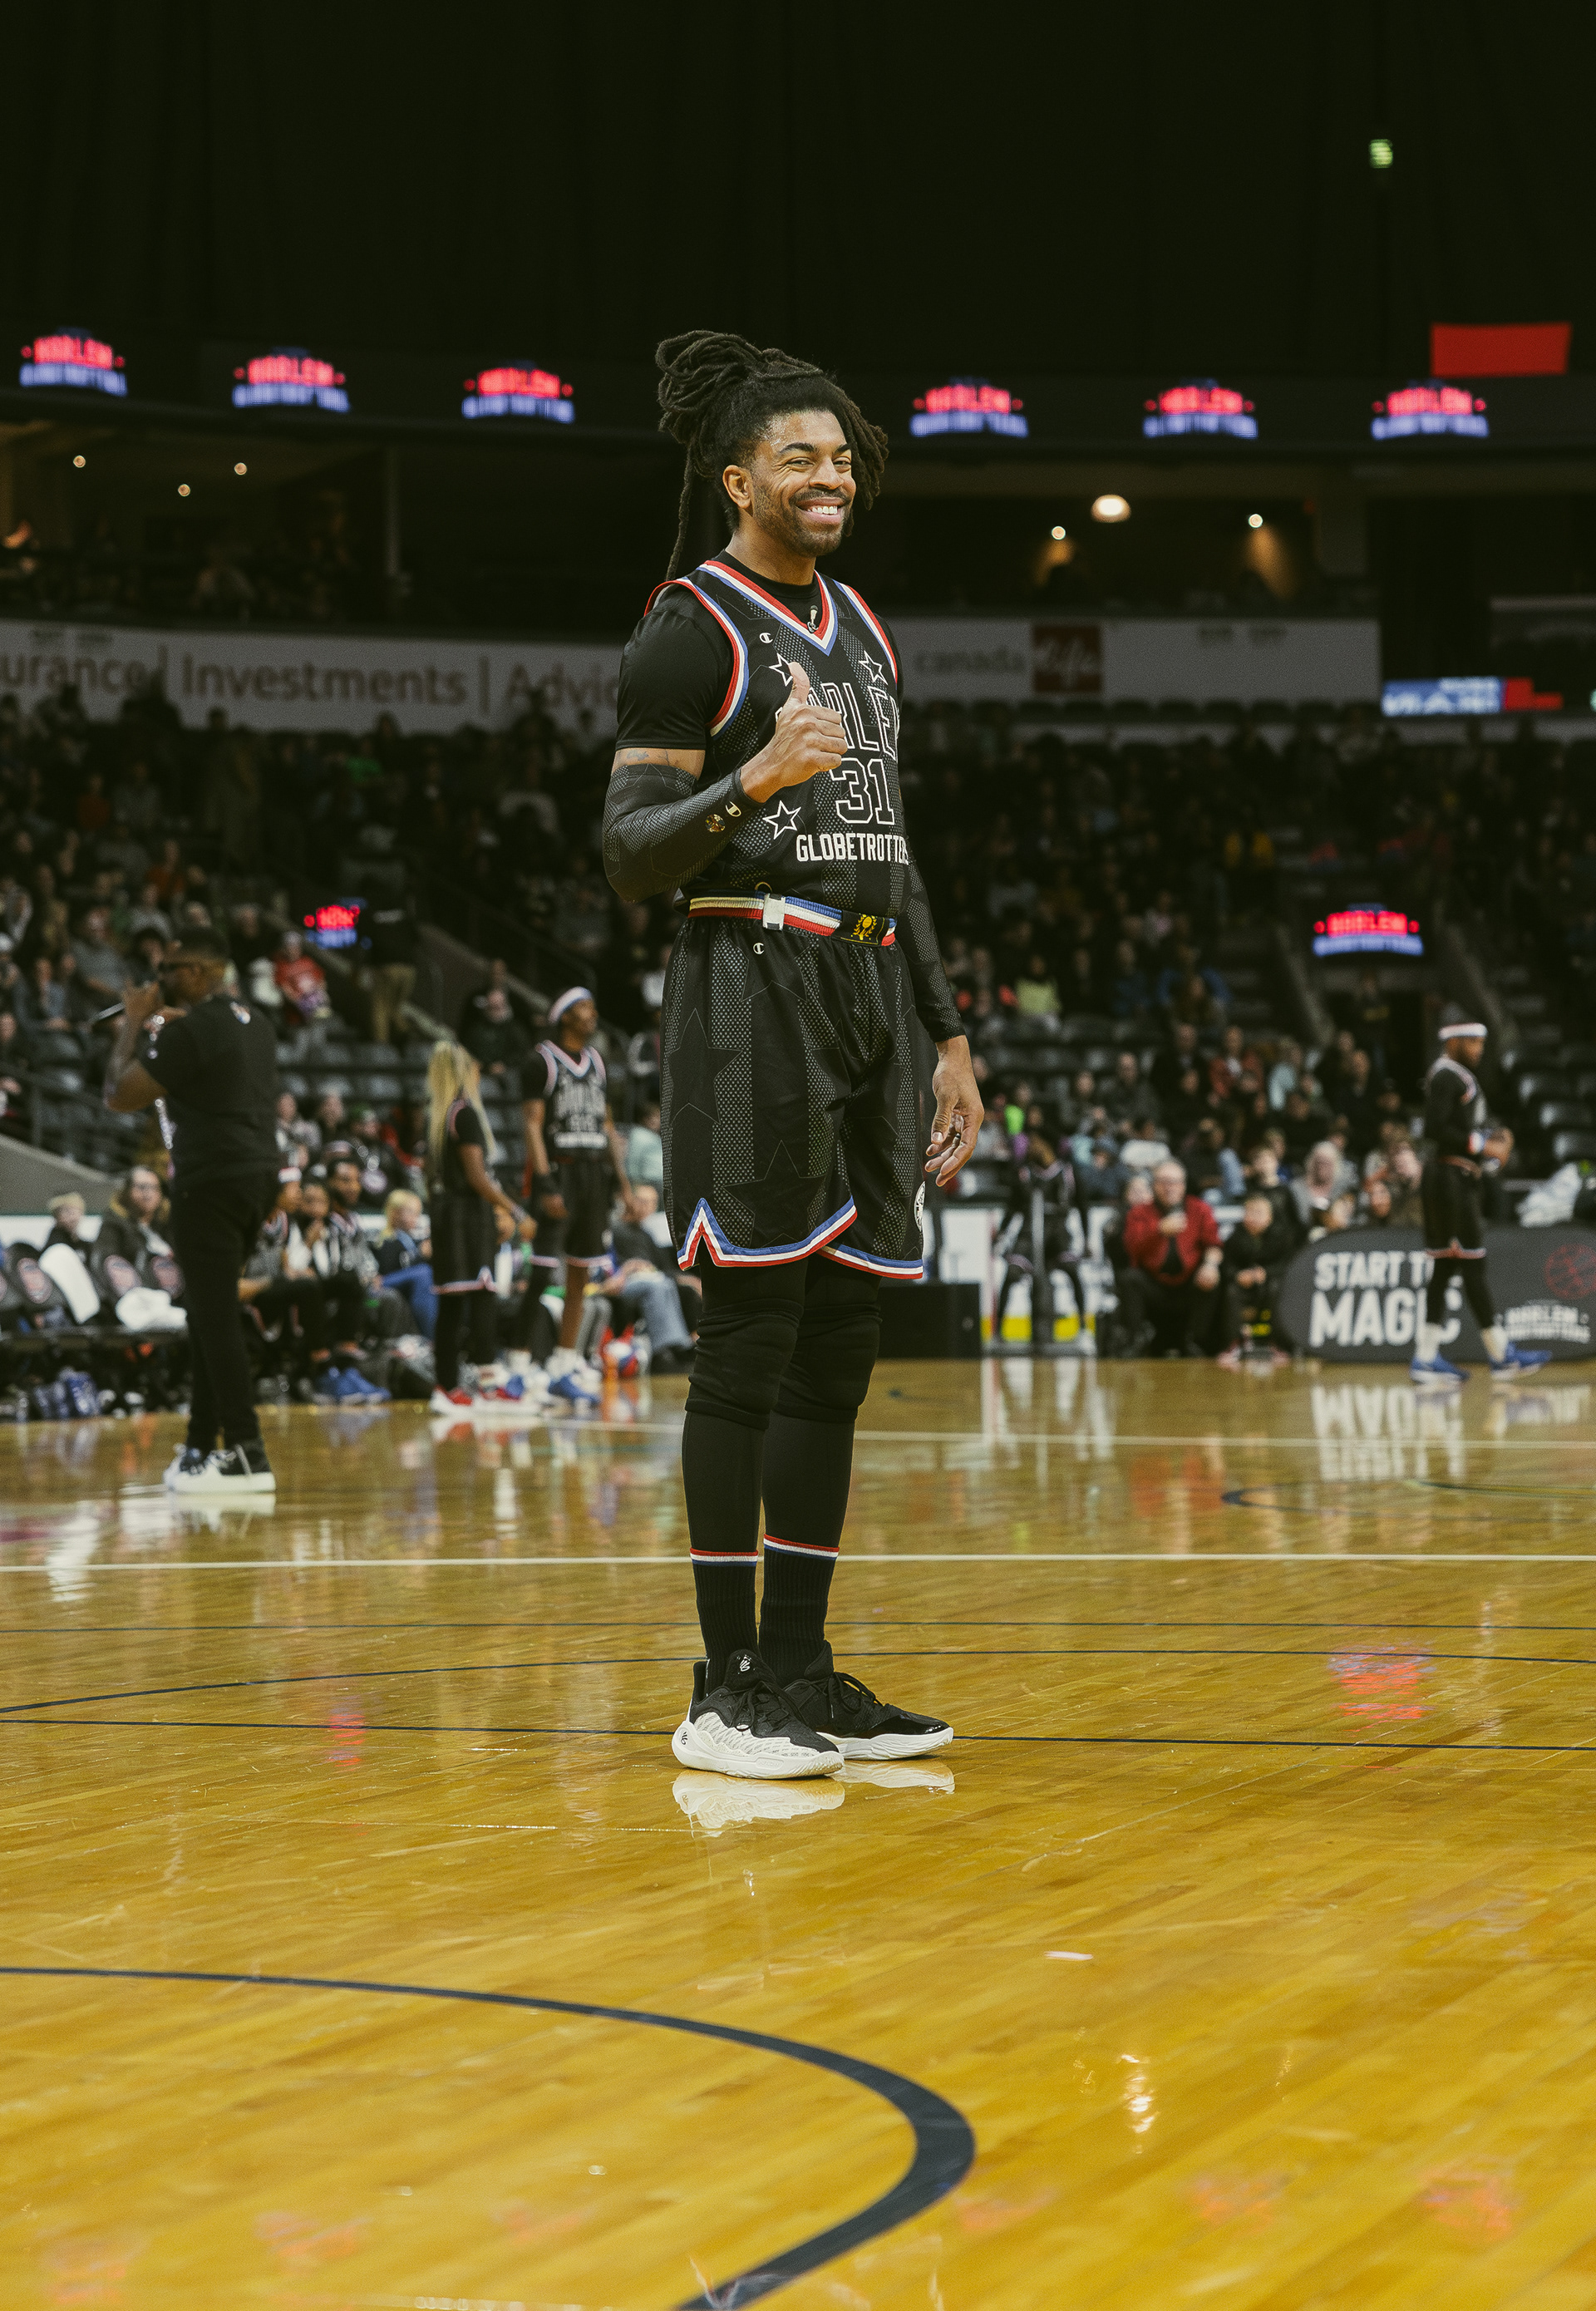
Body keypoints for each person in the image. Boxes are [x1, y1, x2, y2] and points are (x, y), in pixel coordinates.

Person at [603, 328, 975, 1779]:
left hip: (873, 991)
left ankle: (803, 1671)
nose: (832, 477)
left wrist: (948, 1031)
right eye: (800, 458)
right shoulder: (688, 626)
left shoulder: (864, 628)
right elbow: (630, 855)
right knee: (750, 1336)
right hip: (749, 984)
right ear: (737, 479)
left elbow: (896, 846)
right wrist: (754, 778)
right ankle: (722, 1690)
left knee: (841, 1349)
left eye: (843, 459)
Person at [103, 925, 280, 1493]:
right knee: (208, 1312)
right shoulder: (255, 1022)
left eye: (170, 970)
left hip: (211, 1182)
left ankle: (248, 1453)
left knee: (216, 1317)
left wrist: (132, 1023)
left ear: (200, 972)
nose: (160, 979)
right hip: (258, 1178)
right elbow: (215, 1058)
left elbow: (119, 1094)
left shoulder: (193, 1030)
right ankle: (203, 1446)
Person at [1411, 1013, 1550, 1384]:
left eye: (1482, 1043)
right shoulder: (1447, 1075)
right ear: (1453, 1041)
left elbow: (1458, 1130)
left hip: (1451, 1178)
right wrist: (1483, 1144)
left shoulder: (1454, 1077)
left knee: (1446, 1268)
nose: (1479, 1050)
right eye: (1473, 1042)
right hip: (1449, 1181)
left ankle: (1427, 1357)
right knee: (1472, 1264)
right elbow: (1435, 1128)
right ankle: (1500, 1355)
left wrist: (1491, 1141)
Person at [525, 987, 635, 1403]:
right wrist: (545, 1182)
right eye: (584, 1007)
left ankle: (563, 1364)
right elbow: (532, 1124)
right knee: (540, 1272)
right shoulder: (542, 1061)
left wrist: (623, 1182)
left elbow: (606, 1125)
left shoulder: (598, 1062)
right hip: (560, 1169)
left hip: (593, 1174)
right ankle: (519, 1366)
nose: (593, 1014)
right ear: (565, 1015)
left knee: (580, 1273)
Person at [425, 1039, 538, 1411]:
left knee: (454, 1305)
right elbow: (477, 1177)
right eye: (474, 1066)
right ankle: (487, 1384)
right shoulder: (465, 1114)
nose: (479, 1072)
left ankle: (447, 1387)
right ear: (463, 1071)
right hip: (466, 1218)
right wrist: (514, 1211)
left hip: (447, 1215)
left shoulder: (439, 1116)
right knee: (482, 1297)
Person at [1120, 1158, 1224, 1356]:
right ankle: (1135, 1340)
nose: (1170, 1188)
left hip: (1189, 1284)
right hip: (1154, 1284)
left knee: (1213, 1277)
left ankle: (1197, 1340)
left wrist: (1210, 1265)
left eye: (1175, 1182)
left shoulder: (1199, 1209)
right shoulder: (1139, 1213)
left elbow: (1214, 1244)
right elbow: (1131, 1248)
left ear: (1183, 1185)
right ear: (1154, 1185)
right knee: (1129, 1279)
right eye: (1164, 1182)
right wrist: (1158, 1230)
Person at [1217, 1189, 1295, 1368]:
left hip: (1271, 1285)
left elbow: (1289, 1265)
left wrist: (1266, 1273)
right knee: (1231, 1292)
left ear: (1270, 1217)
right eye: (1249, 1212)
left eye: (1258, 1212)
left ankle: (1278, 1345)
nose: (1253, 1217)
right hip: (1245, 1287)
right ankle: (1233, 1344)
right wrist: (1238, 1275)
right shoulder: (1235, 1237)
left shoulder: (1283, 1236)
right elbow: (1226, 1265)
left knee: (1278, 1289)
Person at [375, 1187, 436, 1338]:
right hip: (382, 1284)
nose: (416, 1217)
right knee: (423, 1272)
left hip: (405, 1284)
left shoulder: (413, 1240)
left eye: (418, 1213)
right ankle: (429, 1338)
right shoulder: (386, 1240)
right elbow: (388, 1269)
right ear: (394, 1213)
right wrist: (420, 1255)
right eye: (411, 1212)